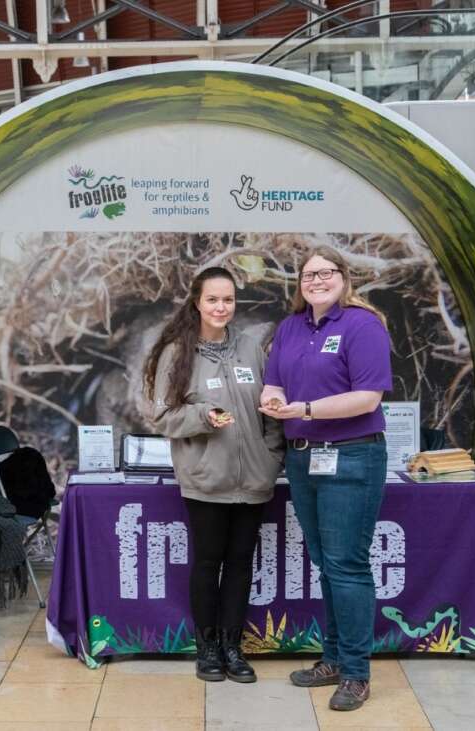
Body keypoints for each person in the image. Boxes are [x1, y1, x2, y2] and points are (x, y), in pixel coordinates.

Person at [259, 247, 392, 713]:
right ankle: (333, 659)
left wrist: (308, 409)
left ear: (344, 277)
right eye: (308, 274)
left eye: (325, 272)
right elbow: (274, 383)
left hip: (352, 455)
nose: (316, 280)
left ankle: (356, 673)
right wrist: (274, 401)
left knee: (347, 565)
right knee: (326, 563)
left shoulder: (362, 324)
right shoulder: (290, 327)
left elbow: (368, 397)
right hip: (302, 458)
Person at [143, 267, 284, 684]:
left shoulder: (251, 348)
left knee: (240, 565)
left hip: (254, 479)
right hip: (206, 480)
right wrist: (204, 416)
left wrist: (271, 457)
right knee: (207, 563)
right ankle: (207, 650)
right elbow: (162, 416)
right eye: (213, 300)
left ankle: (233, 648)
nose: (221, 307)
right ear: (197, 302)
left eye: (228, 300)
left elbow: (271, 408)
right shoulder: (177, 352)